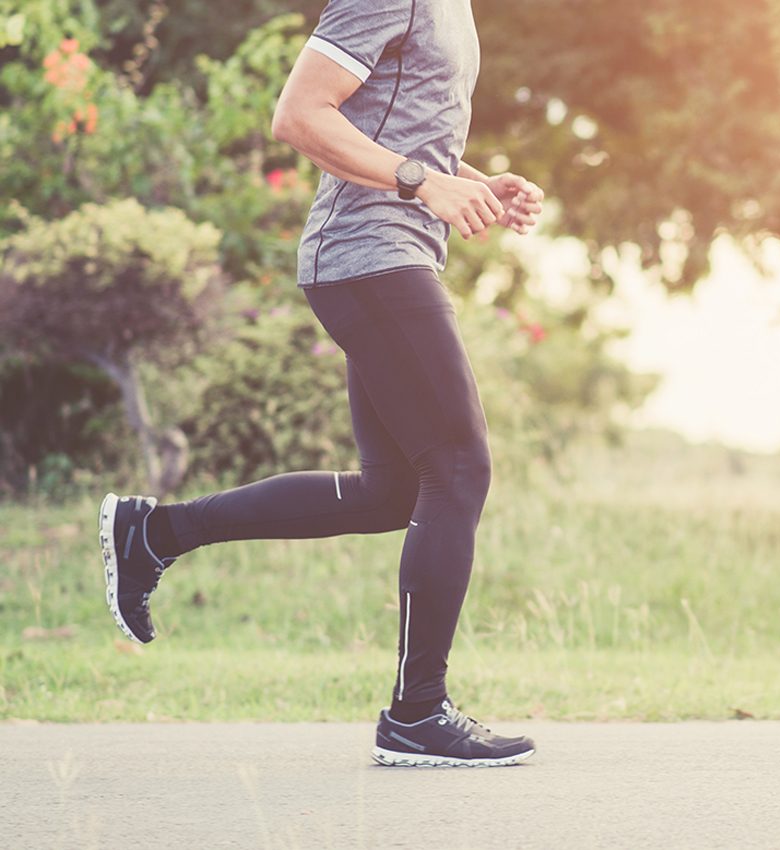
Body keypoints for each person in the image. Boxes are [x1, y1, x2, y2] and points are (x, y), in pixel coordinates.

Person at [97, 0, 545, 768]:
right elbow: (300, 115)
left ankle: (155, 532)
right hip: (366, 254)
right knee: (460, 469)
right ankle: (417, 713)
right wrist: (420, 183)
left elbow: (397, 131)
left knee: (391, 494)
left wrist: (469, 182)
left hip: (385, 255)